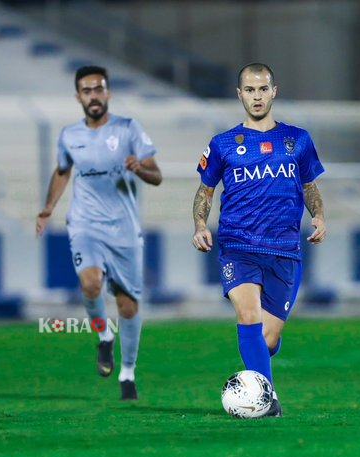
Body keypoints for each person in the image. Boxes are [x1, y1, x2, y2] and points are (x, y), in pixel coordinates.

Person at [192, 63, 327, 416]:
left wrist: (320, 216)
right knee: (248, 315)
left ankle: (265, 353)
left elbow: (310, 186)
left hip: (284, 250)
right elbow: (205, 192)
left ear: (273, 91)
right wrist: (200, 225)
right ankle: (267, 400)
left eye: (262, 89)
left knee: (265, 340)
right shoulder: (222, 144)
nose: (256, 96)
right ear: (239, 95)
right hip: (238, 246)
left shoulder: (298, 140)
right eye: (249, 90)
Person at [36, 66, 162, 400]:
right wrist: (48, 207)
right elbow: (62, 172)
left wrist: (141, 168)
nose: (93, 95)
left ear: (108, 93)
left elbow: (157, 175)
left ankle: (128, 372)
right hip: (85, 223)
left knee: (129, 307)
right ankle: (104, 336)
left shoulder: (128, 129)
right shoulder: (69, 135)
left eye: (99, 89)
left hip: (124, 228)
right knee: (90, 283)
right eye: (86, 90)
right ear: (78, 96)